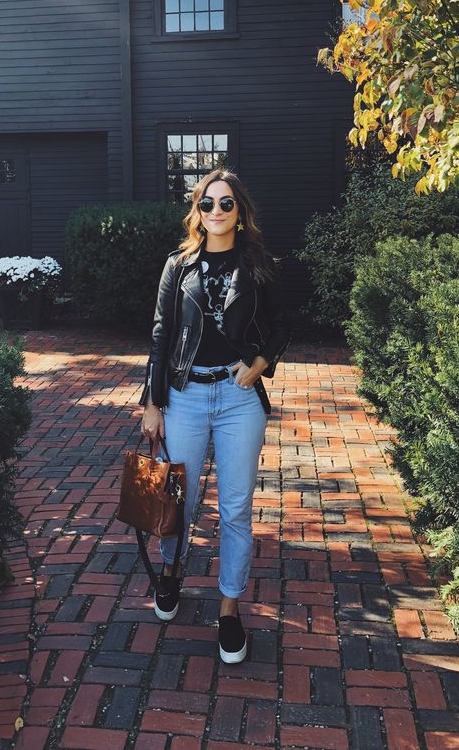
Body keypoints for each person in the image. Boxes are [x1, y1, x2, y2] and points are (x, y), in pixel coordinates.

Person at [139, 168, 290, 664]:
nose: (217, 212)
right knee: (173, 498)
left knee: (235, 509)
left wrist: (262, 362)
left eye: (227, 204)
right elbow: (161, 337)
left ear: (240, 212)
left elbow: (284, 323)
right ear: (196, 211)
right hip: (184, 395)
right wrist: (152, 402)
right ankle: (171, 571)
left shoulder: (260, 265)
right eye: (208, 203)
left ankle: (229, 608)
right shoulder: (177, 266)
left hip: (238, 398)